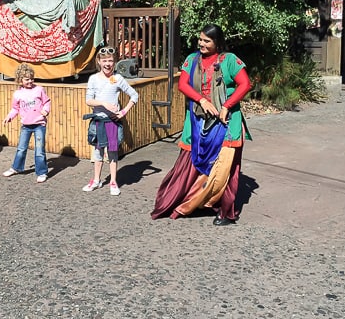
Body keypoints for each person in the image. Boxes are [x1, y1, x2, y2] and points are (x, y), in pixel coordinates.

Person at [151, 24, 252, 225]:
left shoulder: (230, 60)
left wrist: (227, 105)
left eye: (207, 41)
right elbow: (182, 85)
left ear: (217, 43)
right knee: (188, 162)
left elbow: (245, 84)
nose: (201, 44)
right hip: (197, 121)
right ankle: (186, 201)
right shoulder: (192, 60)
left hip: (226, 123)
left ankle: (225, 212)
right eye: (200, 39)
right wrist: (202, 100)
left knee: (224, 169)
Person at [82, 46, 138, 196]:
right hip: (99, 121)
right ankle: (96, 180)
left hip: (113, 122)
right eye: (104, 60)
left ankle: (113, 181)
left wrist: (124, 111)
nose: (108, 64)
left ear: (115, 62)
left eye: (111, 61)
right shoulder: (93, 79)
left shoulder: (118, 79)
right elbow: (89, 100)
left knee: (113, 153)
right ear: (99, 62)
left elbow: (134, 96)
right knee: (98, 152)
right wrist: (103, 104)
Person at [2, 63, 51, 183]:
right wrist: (9, 117)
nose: (30, 81)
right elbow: (15, 108)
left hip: (39, 124)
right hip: (26, 125)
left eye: (32, 78)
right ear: (20, 80)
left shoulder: (39, 89)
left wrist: (46, 110)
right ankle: (16, 167)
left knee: (39, 149)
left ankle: (42, 172)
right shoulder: (18, 94)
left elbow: (47, 101)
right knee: (21, 148)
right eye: (27, 79)